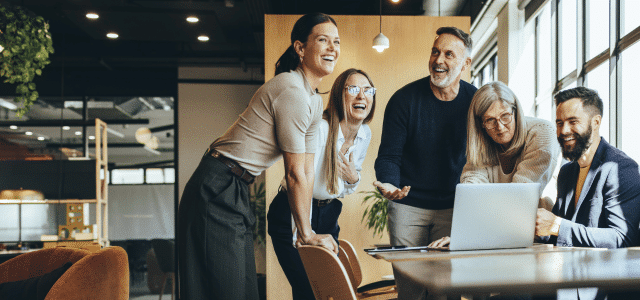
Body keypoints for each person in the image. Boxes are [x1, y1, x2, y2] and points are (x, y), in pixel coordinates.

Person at [177, 13, 341, 300]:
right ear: (300, 48)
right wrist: (305, 233)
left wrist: (308, 230)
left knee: (244, 289)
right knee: (224, 290)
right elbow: (293, 174)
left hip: (237, 186)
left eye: (336, 42)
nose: (332, 48)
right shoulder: (290, 90)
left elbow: (307, 169)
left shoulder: (314, 101)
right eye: (322, 40)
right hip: (216, 184)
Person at [373, 26, 476, 299]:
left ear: (466, 64)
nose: (438, 60)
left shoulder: (475, 102)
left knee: (447, 289)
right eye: (435, 51)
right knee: (410, 290)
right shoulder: (403, 100)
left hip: (454, 207)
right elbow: (389, 156)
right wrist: (389, 185)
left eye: (448, 54)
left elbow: (483, 159)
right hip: (408, 206)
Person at [268, 68, 376, 299]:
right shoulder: (321, 129)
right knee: (309, 291)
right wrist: (303, 233)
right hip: (293, 209)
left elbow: (346, 188)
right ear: (339, 95)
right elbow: (300, 179)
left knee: (328, 290)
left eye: (368, 90)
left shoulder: (364, 134)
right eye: (353, 89)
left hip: (328, 212)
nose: (362, 96)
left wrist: (353, 178)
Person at [535, 87, 640, 300]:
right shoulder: (567, 172)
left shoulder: (620, 168)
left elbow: (621, 239)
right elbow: (558, 231)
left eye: (573, 122)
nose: (563, 130)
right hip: (568, 276)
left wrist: (556, 225)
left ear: (596, 122)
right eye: (559, 122)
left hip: (603, 286)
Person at [428, 81, 560, 248]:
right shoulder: (481, 143)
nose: (500, 127)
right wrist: (464, 237)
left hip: (537, 236)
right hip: (494, 235)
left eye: (505, 116)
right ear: (480, 125)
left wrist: (470, 236)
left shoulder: (542, 133)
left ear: (516, 111)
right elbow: (473, 193)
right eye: (490, 120)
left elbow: (520, 198)